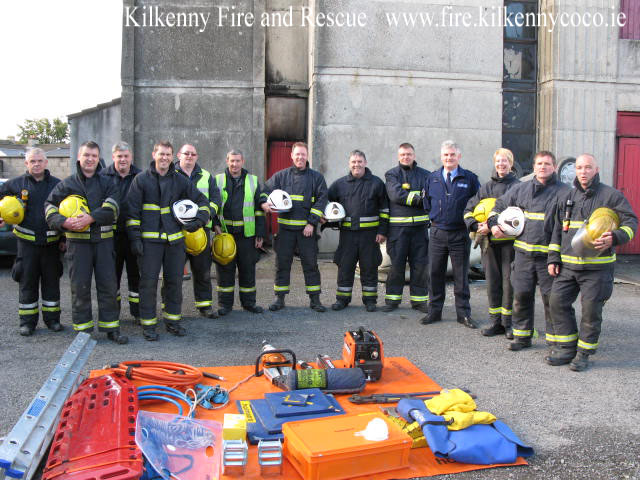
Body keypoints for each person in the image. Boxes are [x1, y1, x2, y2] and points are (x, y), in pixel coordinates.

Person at [546, 154, 637, 371]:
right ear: (574, 170)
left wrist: (615, 237)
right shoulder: (567, 196)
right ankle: (566, 348)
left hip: (597, 268)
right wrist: (553, 258)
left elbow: (631, 222)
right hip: (568, 267)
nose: (583, 171)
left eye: (588, 167)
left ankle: (584, 353)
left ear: (596, 169)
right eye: (579, 167)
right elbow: (557, 231)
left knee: (590, 311)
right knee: (557, 302)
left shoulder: (611, 196)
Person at [126, 141, 210, 340]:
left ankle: (173, 322)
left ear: (172, 157)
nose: (164, 158)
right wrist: (135, 239)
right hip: (149, 244)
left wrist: (198, 221)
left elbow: (202, 202)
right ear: (154, 154)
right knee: (148, 284)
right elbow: (131, 212)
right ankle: (148, 325)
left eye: (168, 154)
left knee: (174, 283)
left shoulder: (180, 181)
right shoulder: (141, 180)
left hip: (175, 243)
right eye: (161, 154)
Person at [45, 141, 127, 343]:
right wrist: (63, 222)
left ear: (98, 158)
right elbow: (49, 206)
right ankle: (83, 330)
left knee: (108, 286)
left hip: (104, 243)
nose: (90, 159)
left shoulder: (108, 182)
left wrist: (91, 217)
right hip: (78, 246)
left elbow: (113, 208)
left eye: (94, 156)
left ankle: (111, 329)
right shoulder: (67, 184)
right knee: (79, 287)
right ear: (79, 158)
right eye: (86, 155)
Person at [488, 151, 569, 351]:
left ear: (555, 167)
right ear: (534, 167)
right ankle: (522, 337)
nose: (543, 167)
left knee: (552, 301)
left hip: (548, 259)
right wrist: (493, 224)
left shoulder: (565, 192)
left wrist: (557, 258)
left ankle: (555, 340)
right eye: (539, 163)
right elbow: (498, 206)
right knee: (521, 296)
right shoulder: (521, 189)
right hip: (523, 256)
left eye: (547, 164)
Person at [0, 148, 63, 336]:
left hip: (51, 245)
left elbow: (66, 211)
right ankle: (27, 323)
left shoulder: (58, 185)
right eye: (32, 161)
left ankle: (53, 320)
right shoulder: (14, 184)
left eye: (40, 160)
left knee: (52, 283)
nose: (36, 164)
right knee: (27, 283)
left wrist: (65, 238)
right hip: (26, 246)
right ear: (26, 163)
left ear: (46, 162)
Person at [261, 142, 328, 312]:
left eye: (303, 154)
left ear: (307, 156)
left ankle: (315, 300)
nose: (300, 157)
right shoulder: (281, 176)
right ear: (291, 156)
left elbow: (321, 200)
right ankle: (279, 298)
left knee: (311, 264)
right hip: (285, 232)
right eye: (297, 154)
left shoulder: (316, 178)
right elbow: (264, 190)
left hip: (307, 231)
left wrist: (312, 222)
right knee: (282, 264)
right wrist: (264, 203)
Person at [420, 141, 480, 328]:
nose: (449, 158)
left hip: (459, 233)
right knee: (435, 273)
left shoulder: (469, 178)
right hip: (437, 232)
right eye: (446, 155)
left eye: (452, 154)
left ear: (458, 157)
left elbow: (476, 204)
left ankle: (463, 314)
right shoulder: (432, 178)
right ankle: (434, 311)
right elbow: (426, 202)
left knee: (461, 276)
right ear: (441, 157)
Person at [463, 148, 520, 338]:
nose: (501, 164)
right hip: (489, 244)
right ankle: (496, 322)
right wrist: (475, 225)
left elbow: (520, 216)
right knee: (493, 283)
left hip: (510, 245)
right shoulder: (485, 188)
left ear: (511, 164)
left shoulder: (518, 187)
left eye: (505, 161)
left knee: (509, 283)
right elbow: (468, 210)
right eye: (498, 161)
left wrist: (497, 227)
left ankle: (508, 324)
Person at [328, 150, 389, 312]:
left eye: (360, 161)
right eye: (354, 162)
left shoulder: (376, 184)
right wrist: (328, 219)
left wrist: (382, 231)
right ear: (349, 164)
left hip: (370, 236)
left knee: (369, 267)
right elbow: (327, 202)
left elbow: (384, 210)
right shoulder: (339, 184)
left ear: (365, 163)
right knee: (345, 267)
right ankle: (342, 299)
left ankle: (370, 301)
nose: (357, 164)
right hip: (347, 235)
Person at [214, 149, 265, 315]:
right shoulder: (218, 180)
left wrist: (260, 234)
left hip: (246, 235)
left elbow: (259, 210)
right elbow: (212, 205)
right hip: (225, 234)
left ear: (243, 162)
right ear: (227, 161)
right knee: (225, 270)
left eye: (237, 161)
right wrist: (215, 226)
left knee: (247, 270)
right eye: (231, 161)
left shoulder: (253, 181)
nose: (234, 164)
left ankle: (249, 303)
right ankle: (225, 305)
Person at [382, 143, 431, 313]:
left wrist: (419, 197)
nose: (406, 157)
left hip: (419, 229)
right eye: (403, 154)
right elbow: (395, 195)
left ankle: (419, 301)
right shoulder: (392, 174)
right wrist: (419, 199)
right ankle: (392, 301)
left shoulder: (426, 175)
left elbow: (430, 195)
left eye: (409, 154)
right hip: (398, 230)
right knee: (397, 265)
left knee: (420, 266)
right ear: (398, 156)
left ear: (414, 155)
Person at [175, 144, 222, 319]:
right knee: (174, 272)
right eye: (186, 153)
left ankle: (204, 306)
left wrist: (207, 215)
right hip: (177, 231)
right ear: (179, 155)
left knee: (202, 270)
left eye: (193, 154)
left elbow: (216, 200)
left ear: (197, 156)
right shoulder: (171, 174)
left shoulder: (207, 176)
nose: (189, 156)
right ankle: (172, 309)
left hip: (201, 229)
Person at [100, 142, 141, 324]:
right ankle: (113, 313)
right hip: (111, 236)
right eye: (119, 156)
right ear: (113, 157)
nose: (123, 159)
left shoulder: (141, 176)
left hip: (135, 236)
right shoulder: (102, 176)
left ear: (131, 157)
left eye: (126, 156)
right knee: (111, 277)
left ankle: (138, 313)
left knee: (136, 276)